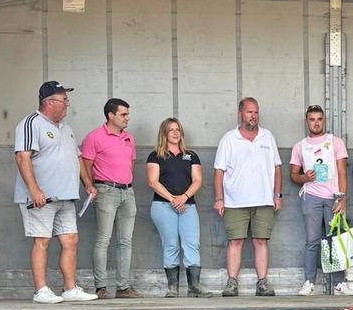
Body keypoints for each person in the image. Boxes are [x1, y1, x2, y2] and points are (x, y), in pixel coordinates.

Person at [14, 81, 98, 303]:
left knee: (71, 240)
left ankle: (70, 289)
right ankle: (41, 290)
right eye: (63, 100)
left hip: (65, 196)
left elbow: (77, 158)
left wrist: (88, 184)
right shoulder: (31, 123)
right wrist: (34, 190)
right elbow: (22, 157)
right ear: (49, 102)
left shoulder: (66, 128)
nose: (67, 104)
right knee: (42, 240)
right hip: (41, 198)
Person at [214, 97, 282, 297]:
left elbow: (277, 167)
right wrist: (219, 198)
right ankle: (232, 282)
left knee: (261, 241)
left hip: (263, 200)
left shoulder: (267, 136)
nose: (253, 116)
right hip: (235, 201)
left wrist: (277, 194)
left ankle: (262, 283)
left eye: (256, 112)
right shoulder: (229, 139)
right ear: (240, 113)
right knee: (235, 241)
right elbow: (219, 171)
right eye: (249, 112)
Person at [81, 98, 142, 299]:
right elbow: (85, 167)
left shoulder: (129, 138)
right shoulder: (94, 137)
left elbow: (130, 164)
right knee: (103, 239)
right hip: (106, 190)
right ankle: (101, 287)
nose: (127, 118)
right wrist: (91, 188)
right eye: (123, 114)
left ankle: (123, 287)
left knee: (125, 240)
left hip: (128, 191)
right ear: (111, 115)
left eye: (128, 114)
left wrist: (126, 183)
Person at [147, 118, 212, 298]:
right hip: (163, 205)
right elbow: (153, 181)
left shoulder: (191, 155)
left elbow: (198, 180)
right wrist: (173, 199)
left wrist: (183, 198)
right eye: (171, 130)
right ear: (164, 133)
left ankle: (194, 287)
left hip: (188, 205)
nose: (175, 133)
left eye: (178, 129)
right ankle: (172, 288)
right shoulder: (155, 155)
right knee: (171, 244)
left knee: (192, 243)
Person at [289, 105, 349, 296]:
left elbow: (342, 172)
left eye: (319, 119)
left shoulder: (336, 142)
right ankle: (309, 282)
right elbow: (293, 175)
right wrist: (304, 177)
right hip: (311, 197)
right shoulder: (300, 146)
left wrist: (342, 198)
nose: (316, 122)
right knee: (312, 241)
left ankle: (340, 283)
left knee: (336, 240)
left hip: (333, 197)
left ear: (324, 121)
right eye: (312, 119)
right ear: (306, 122)